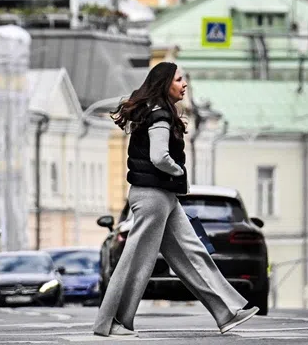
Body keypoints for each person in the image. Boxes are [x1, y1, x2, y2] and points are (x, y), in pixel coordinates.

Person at [93, 62, 258, 337]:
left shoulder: (156, 113)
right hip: (153, 197)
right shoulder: (159, 116)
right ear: (165, 83)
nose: (184, 85)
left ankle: (226, 312)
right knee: (136, 261)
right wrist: (179, 171)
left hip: (162, 197)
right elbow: (159, 157)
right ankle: (112, 322)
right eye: (179, 79)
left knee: (193, 253)